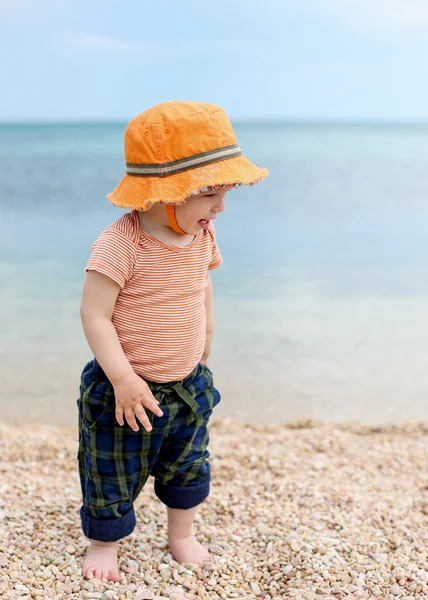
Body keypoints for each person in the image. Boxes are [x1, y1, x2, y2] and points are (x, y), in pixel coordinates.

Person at [77, 100, 268, 581]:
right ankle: (104, 543)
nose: (220, 206)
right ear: (166, 192)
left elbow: (201, 283)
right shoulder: (122, 243)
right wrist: (121, 377)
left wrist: (206, 332)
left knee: (189, 465)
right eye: (209, 193)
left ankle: (180, 534)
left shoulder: (202, 234)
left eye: (226, 192)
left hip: (187, 384)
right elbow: (95, 314)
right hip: (125, 391)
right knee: (110, 470)